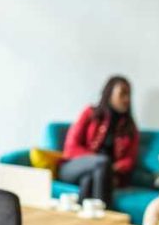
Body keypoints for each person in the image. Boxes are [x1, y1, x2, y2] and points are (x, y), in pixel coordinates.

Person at [58, 75, 140, 206]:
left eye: (129, 95)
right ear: (109, 94)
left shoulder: (130, 127)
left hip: (102, 174)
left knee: (89, 180)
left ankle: (86, 221)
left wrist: (110, 169)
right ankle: (103, 216)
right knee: (102, 162)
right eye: (122, 94)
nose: (127, 99)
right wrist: (101, 162)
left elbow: (130, 160)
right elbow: (71, 147)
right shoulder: (90, 113)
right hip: (73, 167)